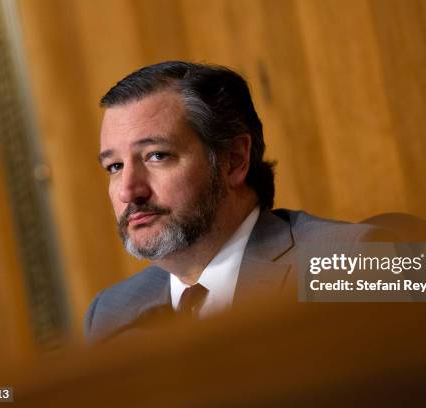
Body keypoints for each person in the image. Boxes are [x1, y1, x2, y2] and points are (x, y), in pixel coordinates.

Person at [85, 61, 390, 343]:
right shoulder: (110, 315)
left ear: (234, 160)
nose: (128, 191)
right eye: (115, 166)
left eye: (157, 155)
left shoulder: (351, 264)